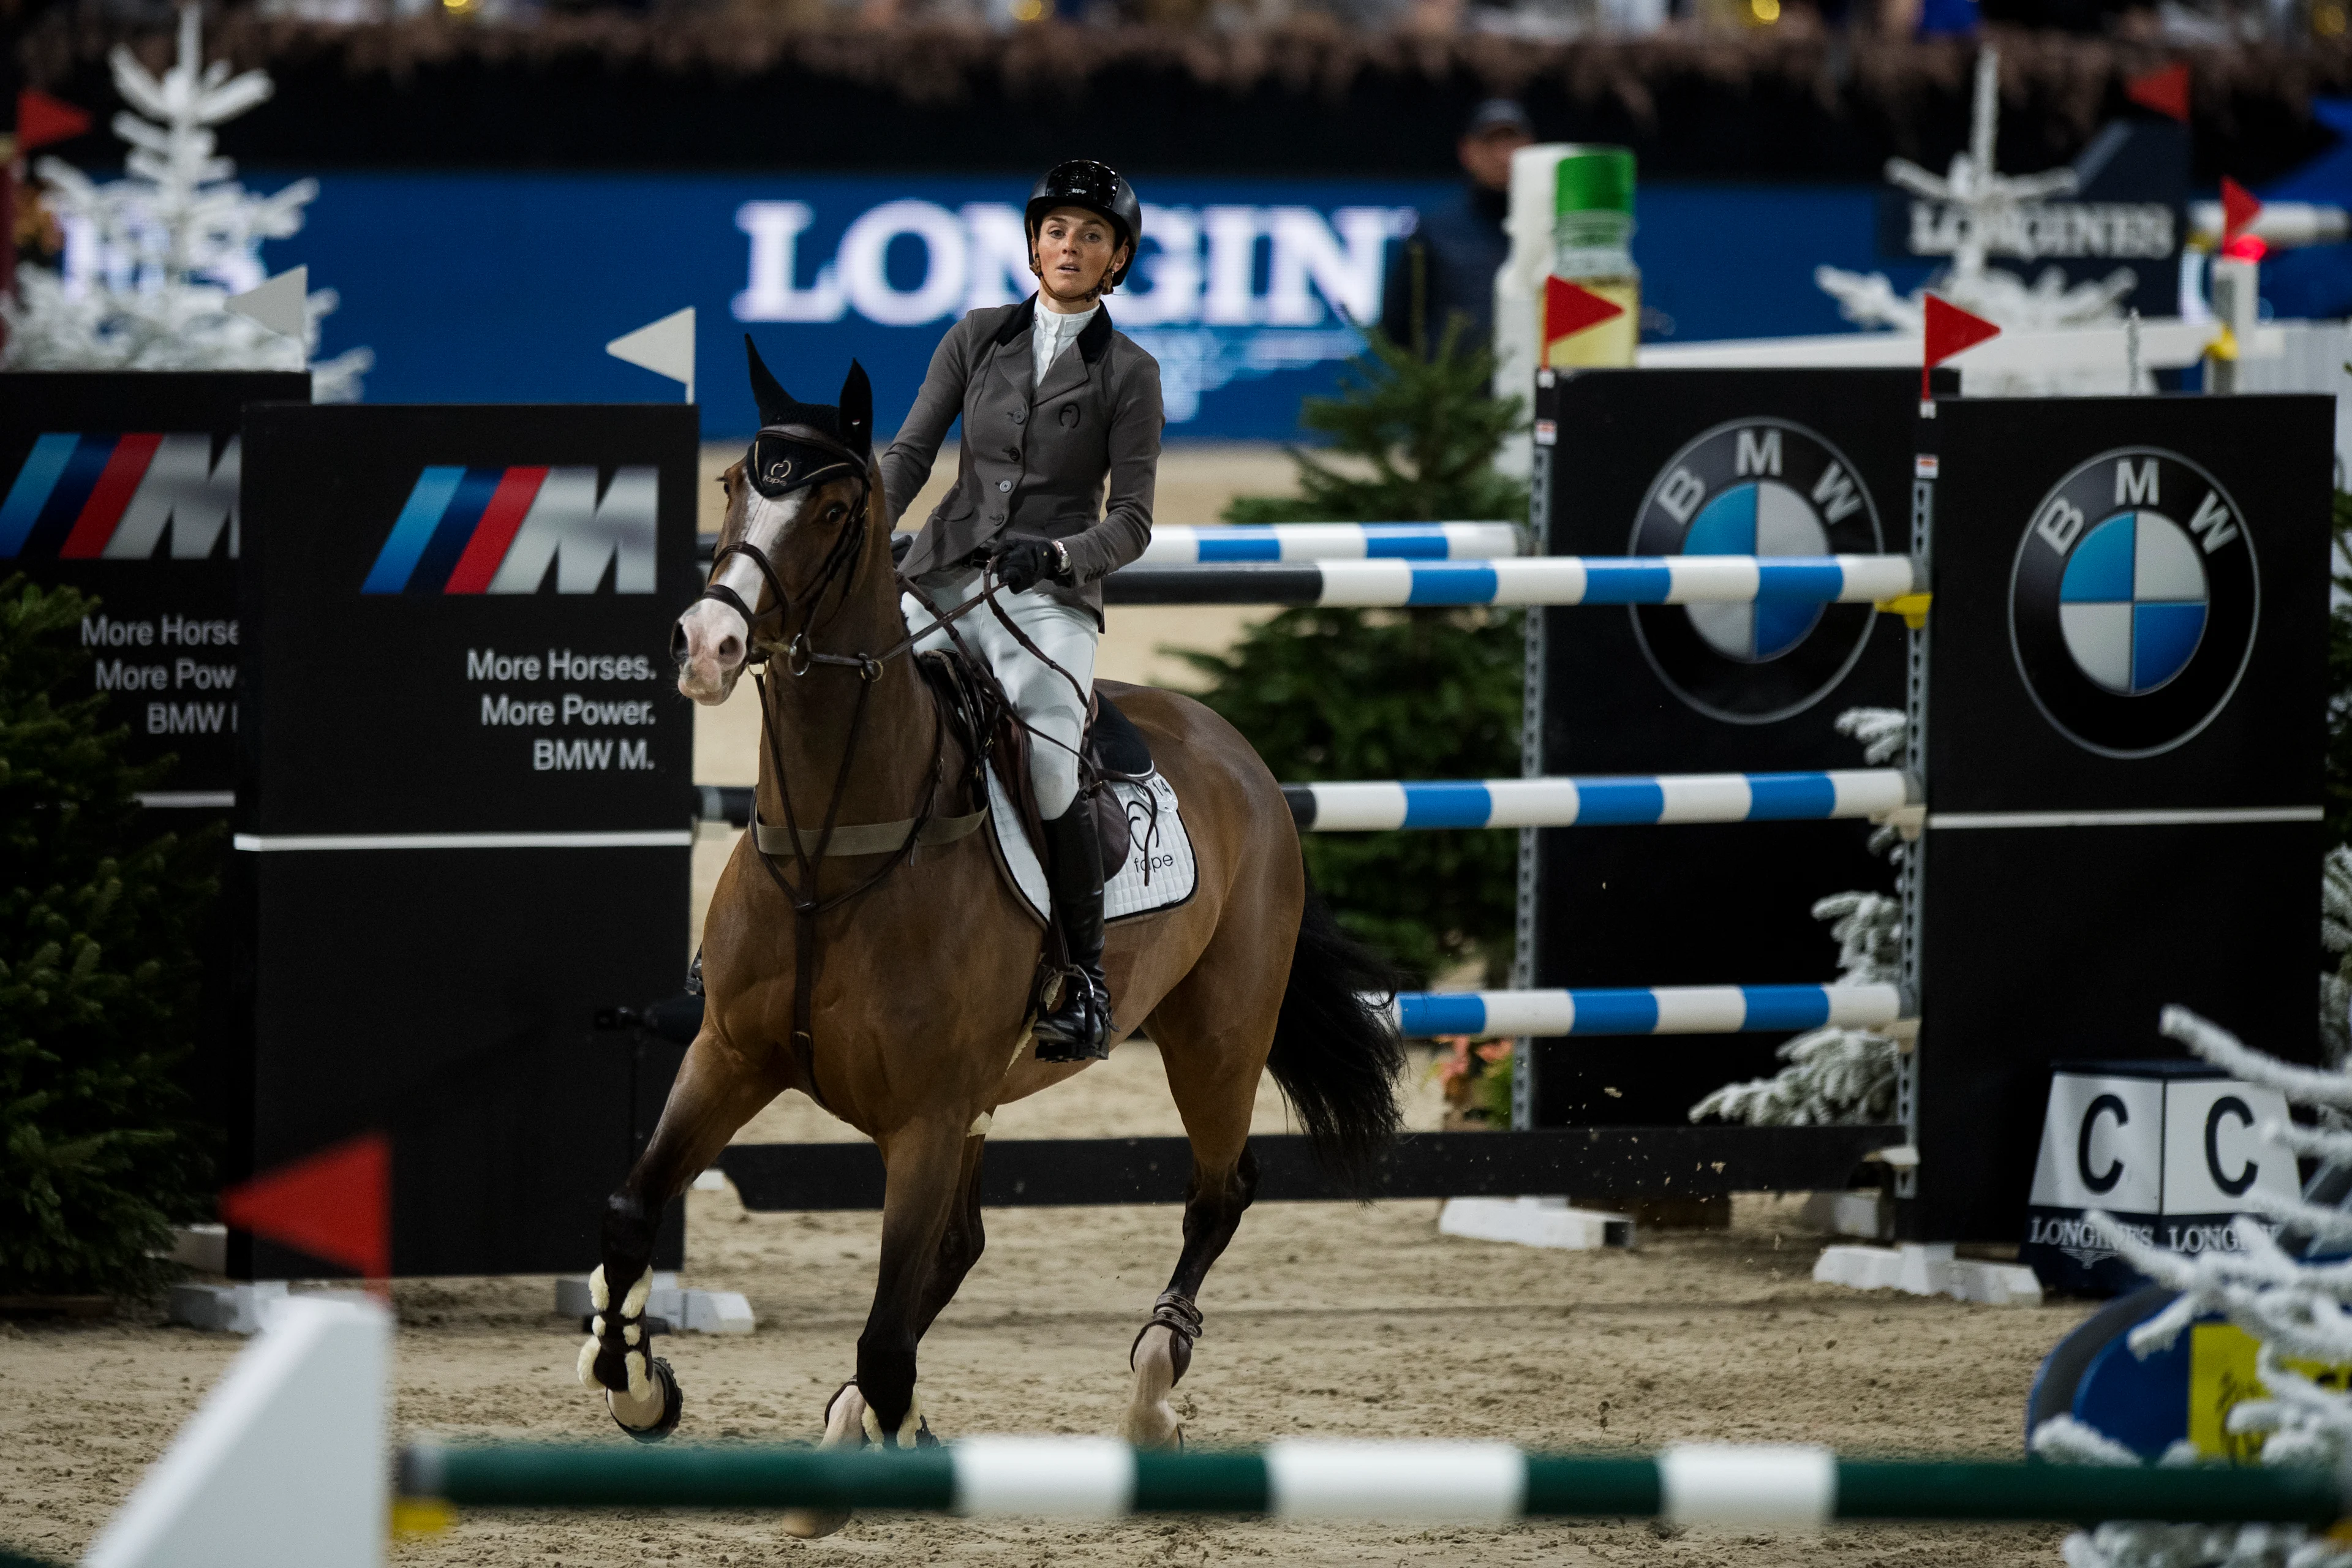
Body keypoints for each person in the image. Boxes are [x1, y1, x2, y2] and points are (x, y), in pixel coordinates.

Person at [883, 159, 1164, 1064]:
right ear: (1033, 243)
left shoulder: (1130, 371)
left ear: (1118, 259)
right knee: (844, 695)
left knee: (1048, 753)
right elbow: (911, 454)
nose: (1069, 246)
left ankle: (1084, 977)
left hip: (1045, 598)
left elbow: (1133, 522)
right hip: (942, 574)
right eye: (1056, 231)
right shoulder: (974, 337)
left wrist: (1058, 555)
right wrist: (858, 538)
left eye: (1091, 235)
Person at [1378, 99, 1535, 360]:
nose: (1502, 156)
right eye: (1490, 144)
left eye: (1512, 143)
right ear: (1467, 152)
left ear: (1531, 148)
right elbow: (1398, 323)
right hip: (1457, 396)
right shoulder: (1434, 230)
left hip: (1536, 388)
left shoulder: (1552, 229)